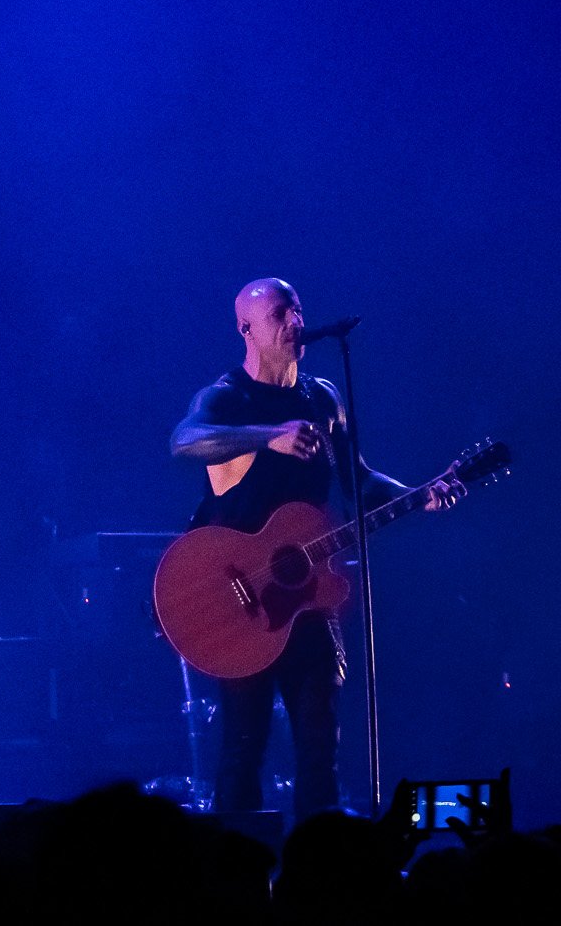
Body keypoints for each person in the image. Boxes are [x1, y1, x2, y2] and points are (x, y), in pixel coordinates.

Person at [169, 278, 453, 817]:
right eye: (280, 313)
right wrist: (267, 436)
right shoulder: (228, 395)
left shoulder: (323, 398)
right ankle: (236, 861)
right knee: (243, 750)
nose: (295, 322)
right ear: (246, 328)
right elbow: (183, 441)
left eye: (297, 310)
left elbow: (358, 478)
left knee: (322, 749)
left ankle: (322, 862)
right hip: (241, 602)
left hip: (308, 596)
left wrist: (419, 494)